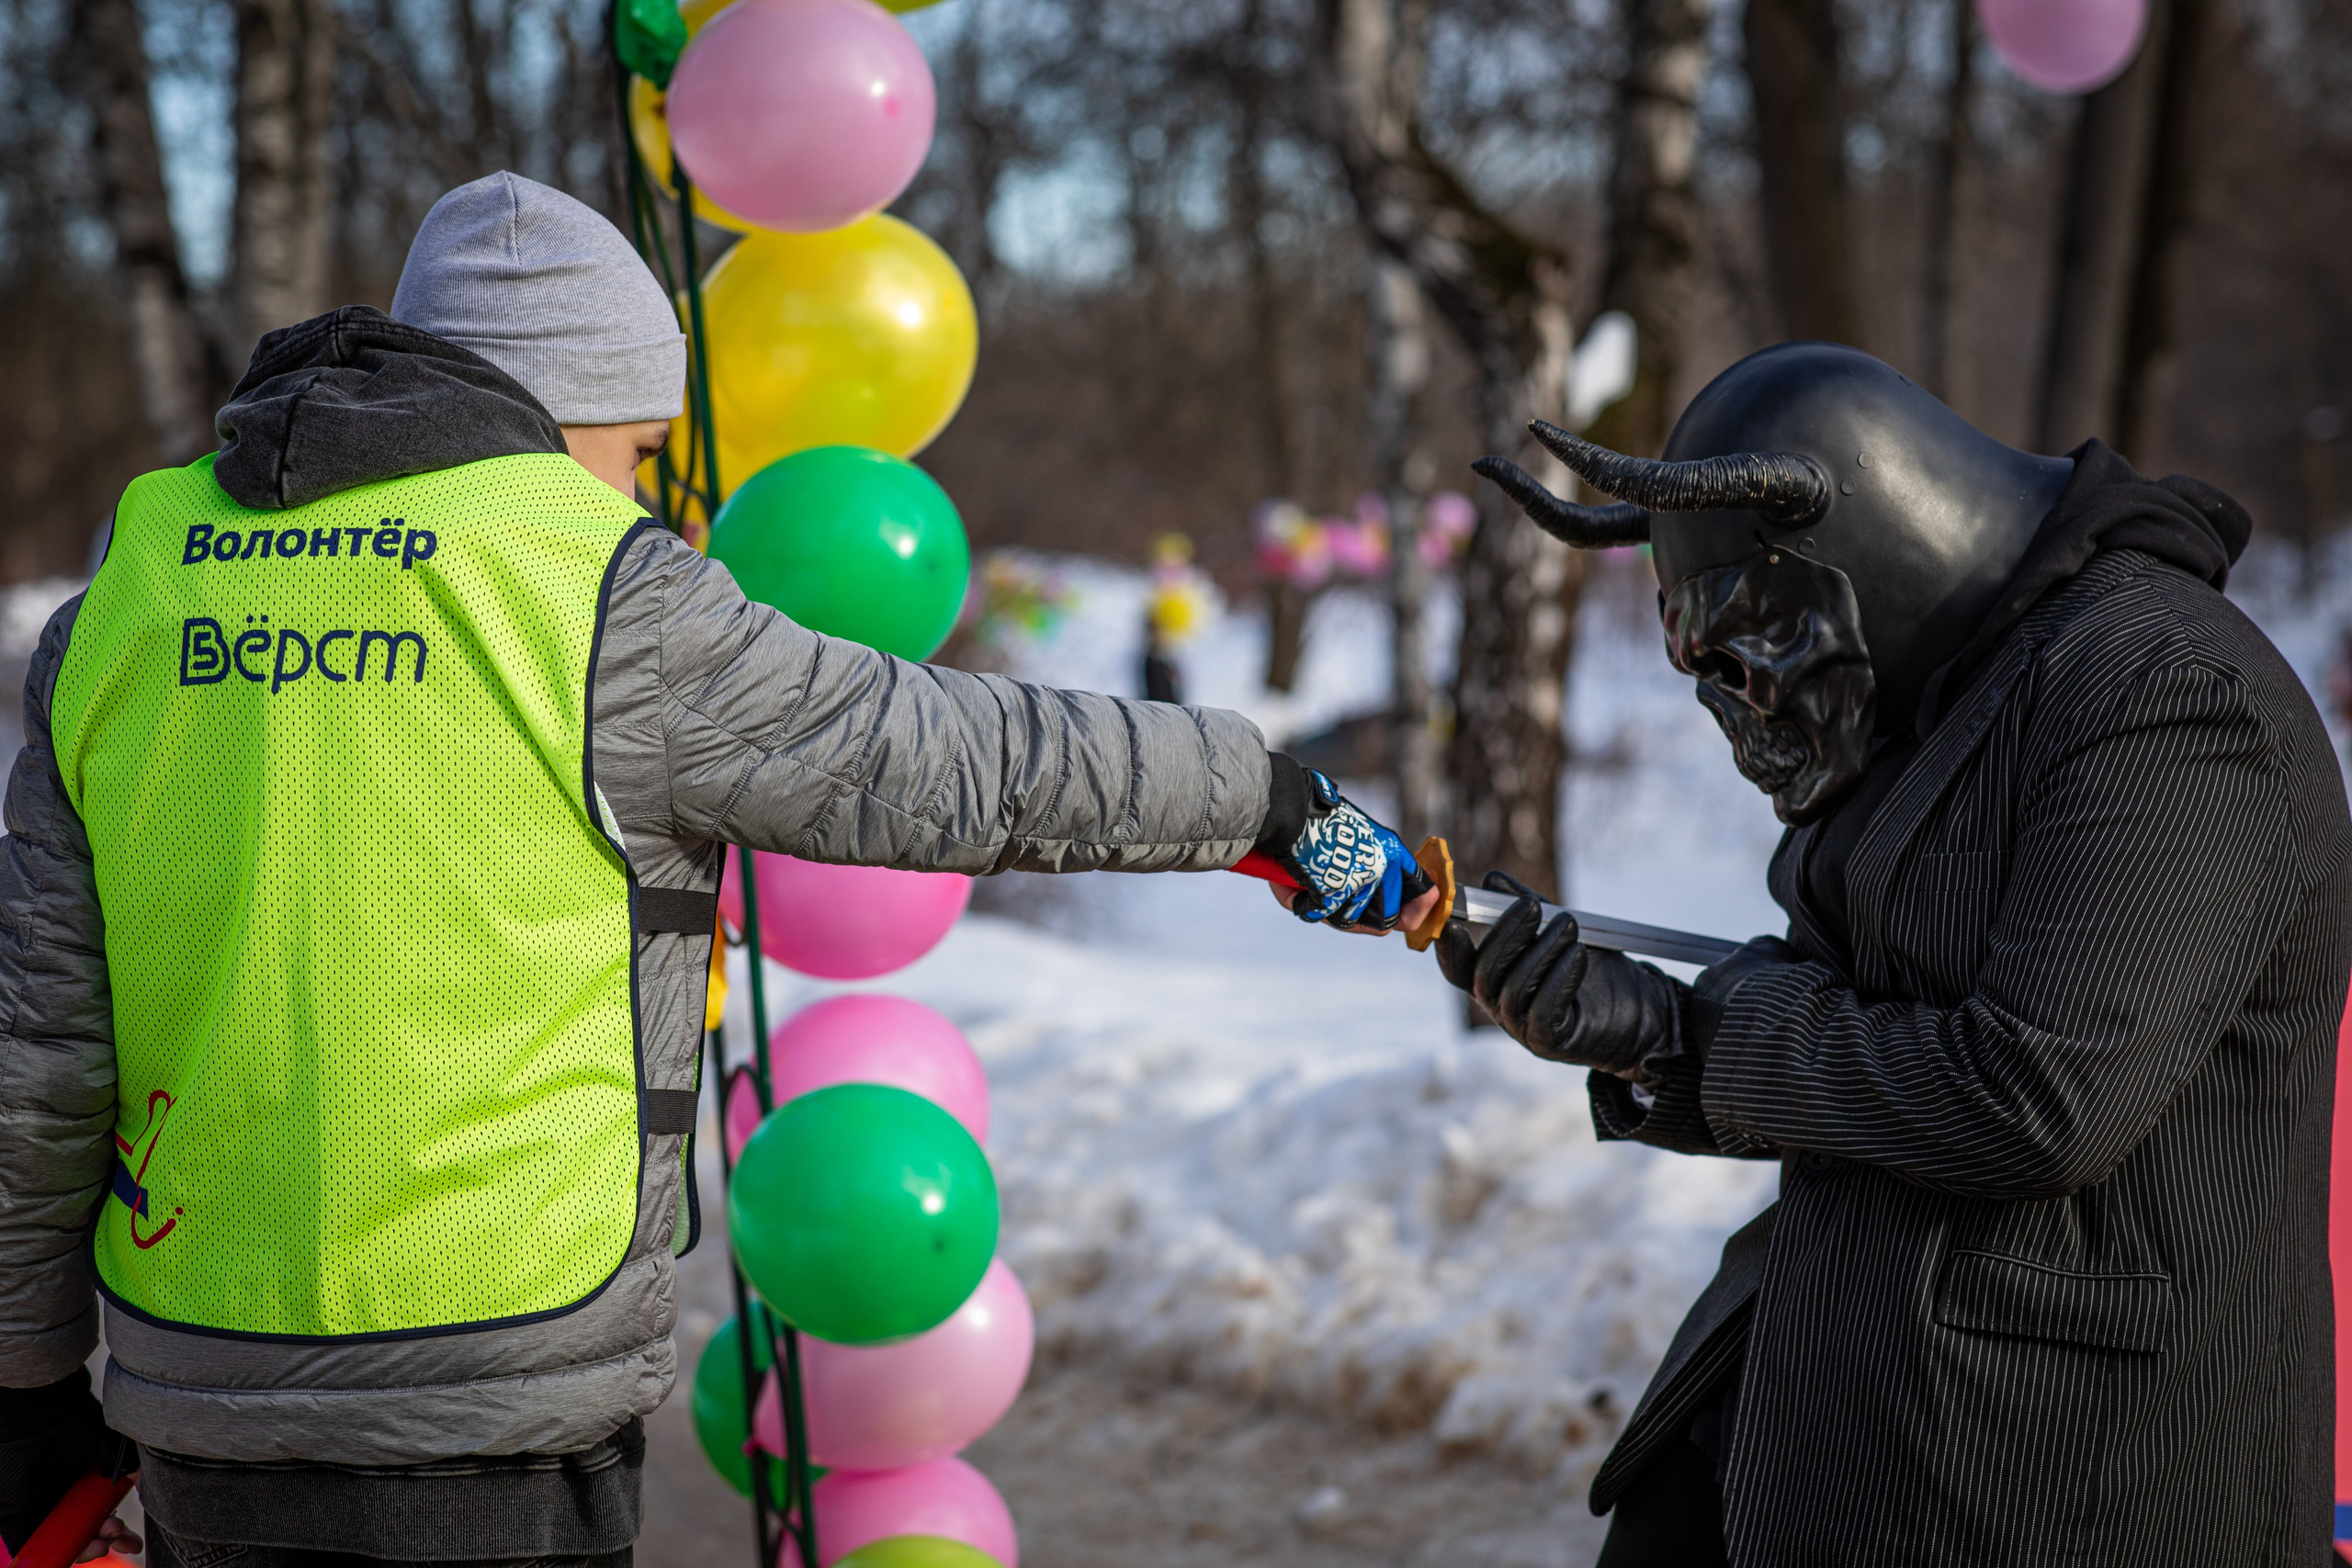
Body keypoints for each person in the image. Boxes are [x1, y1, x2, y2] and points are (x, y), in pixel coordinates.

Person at [0, 171, 1435, 1568]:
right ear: (556, 409)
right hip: (491, 1389)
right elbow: (956, 760)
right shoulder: (593, 585)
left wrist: (21, 1377)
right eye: (636, 452)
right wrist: (1259, 796)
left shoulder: (135, 590)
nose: (642, 493)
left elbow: (41, 1046)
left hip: (203, 1390)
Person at [1456, 342, 2350, 1566]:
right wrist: (1654, 1035)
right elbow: (1866, 1043)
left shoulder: (2167, 695)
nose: (1739, 706)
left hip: (2062, 1488)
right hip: (1840, 1430)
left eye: (1746, 654)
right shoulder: (1952, 693)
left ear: (1861, 552)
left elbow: (2035, 1099)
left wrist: (1713, 1030)